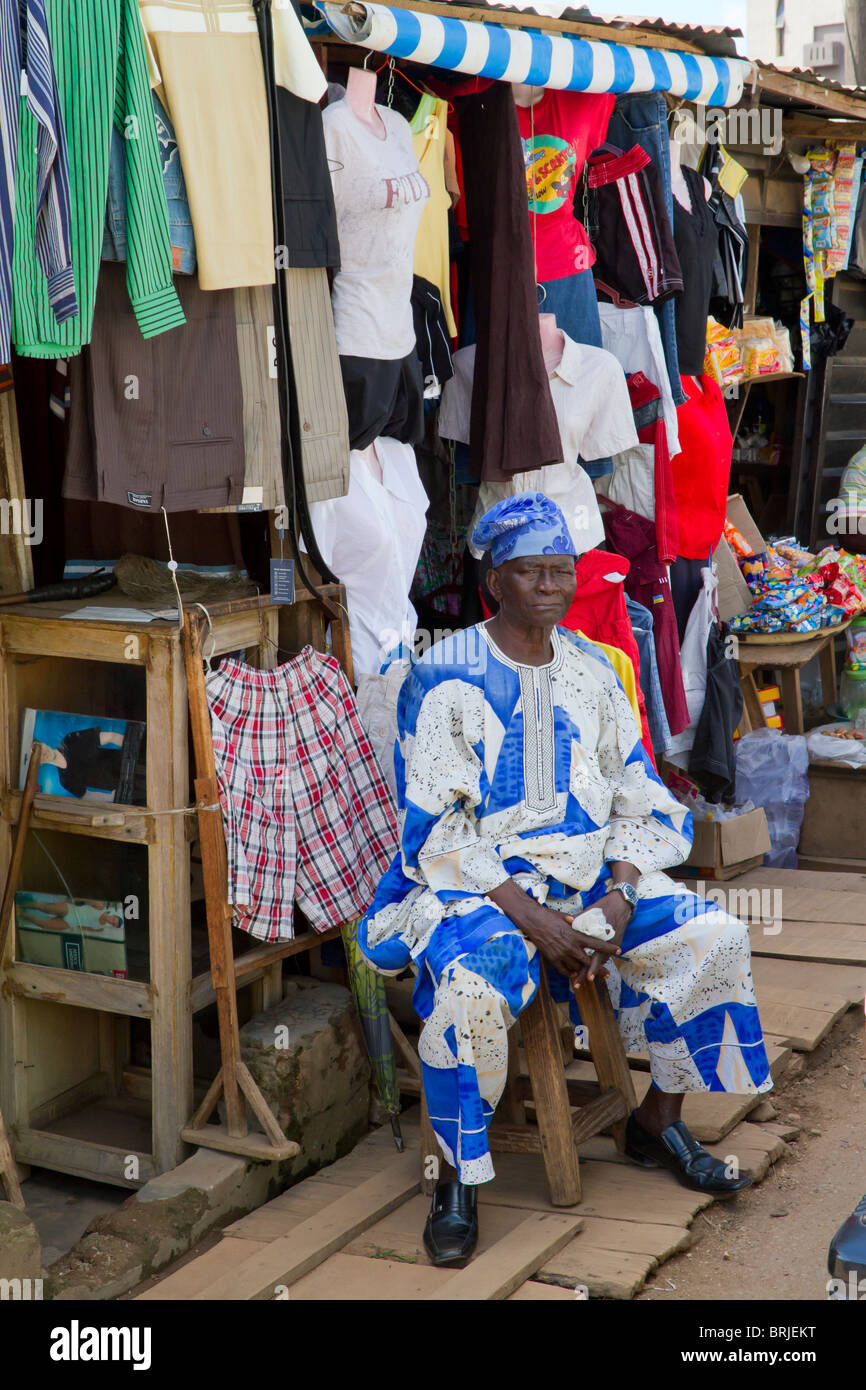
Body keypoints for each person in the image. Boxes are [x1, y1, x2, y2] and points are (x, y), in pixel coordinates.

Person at [358, 491, 772, 1268]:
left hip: (589, 879)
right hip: (478, 888)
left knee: (713, 935)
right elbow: (438, 833)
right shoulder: (443, 675)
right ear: (496, 583)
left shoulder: (597, 669)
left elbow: (639, 793)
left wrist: (617, 895)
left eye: (561, 570)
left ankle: (656, 1123)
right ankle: (458, 1178)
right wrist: (536, 921)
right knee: (472, 990)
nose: (550, 585)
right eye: (531, 573)